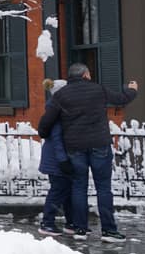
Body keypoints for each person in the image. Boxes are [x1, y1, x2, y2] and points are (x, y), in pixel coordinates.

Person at [37, 62, 138, 242]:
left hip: (75, 148)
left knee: (78, 187)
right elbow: (121, 99)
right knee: (103, 188)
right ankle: (109, 230)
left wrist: (45, 133)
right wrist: (131, 90)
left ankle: (80, 229)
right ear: (86, 75)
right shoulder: (98, 90)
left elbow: (45, 124)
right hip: (99, 144)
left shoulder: (61, 95)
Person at [36, 79, 73, 236]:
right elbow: (57, 139)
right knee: (58, 191)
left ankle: (71, 222)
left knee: (67, 191)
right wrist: (63, 160)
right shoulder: (57, 112)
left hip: (57, 158)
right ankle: (47, 223)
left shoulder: (56, 109)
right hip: (57, 159)